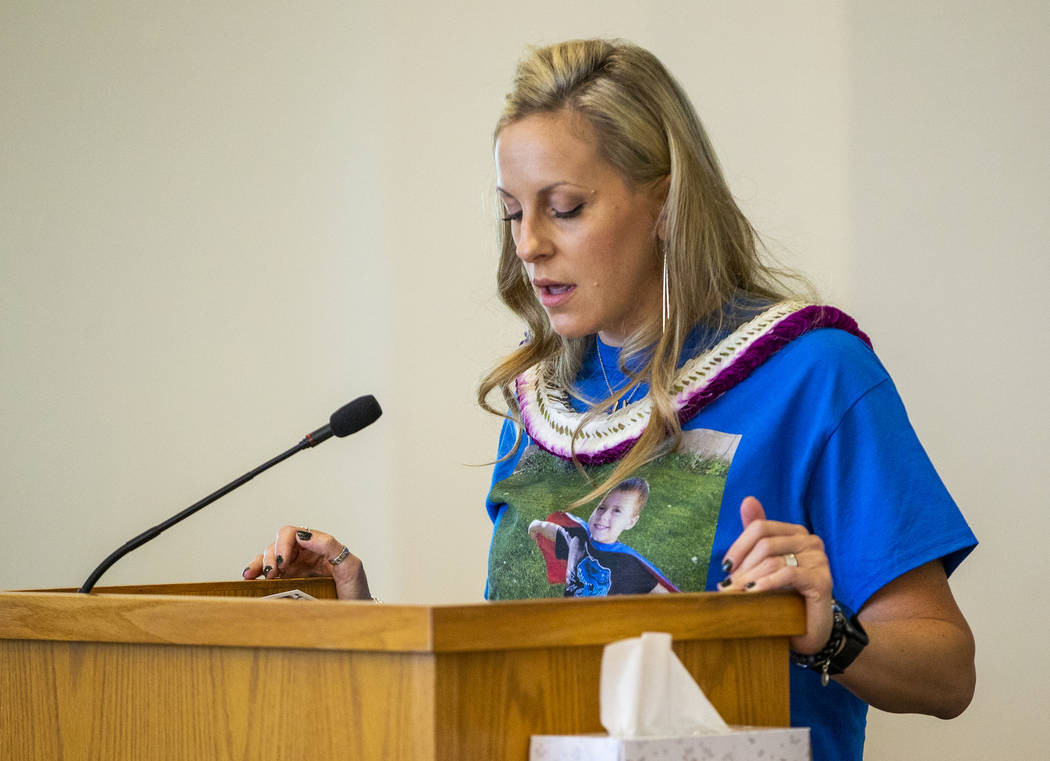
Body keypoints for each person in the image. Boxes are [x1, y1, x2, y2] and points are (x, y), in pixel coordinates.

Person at [242, 39, 976, 761]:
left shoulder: (815, 374)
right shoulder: (539, 411)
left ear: (664, 203)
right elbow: (518, 686)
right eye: (511, 212)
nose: (528, 244)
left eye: (563, 208)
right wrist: (355, 619)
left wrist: (828, 628)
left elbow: (947, 672)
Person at [528, 477, 678, 596]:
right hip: (568, 616)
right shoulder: (578, 536)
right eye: (601, 507)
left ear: (631, 522)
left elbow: (665, 596)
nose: (604, 516)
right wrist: (537, 525)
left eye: (617, 511)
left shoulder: (626, 563)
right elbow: (555, 532)